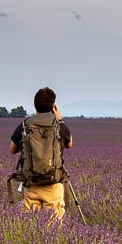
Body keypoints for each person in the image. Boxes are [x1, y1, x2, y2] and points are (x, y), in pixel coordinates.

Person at [9, 87, 74, 219]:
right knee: (54, 231)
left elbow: (12, 149)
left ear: (34, 105)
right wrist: (60, 120)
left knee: (30, 229)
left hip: (31, 185)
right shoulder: (58, 125)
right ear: (53, 106)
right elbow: (69, 144)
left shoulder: (25, 125)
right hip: (53, 185)